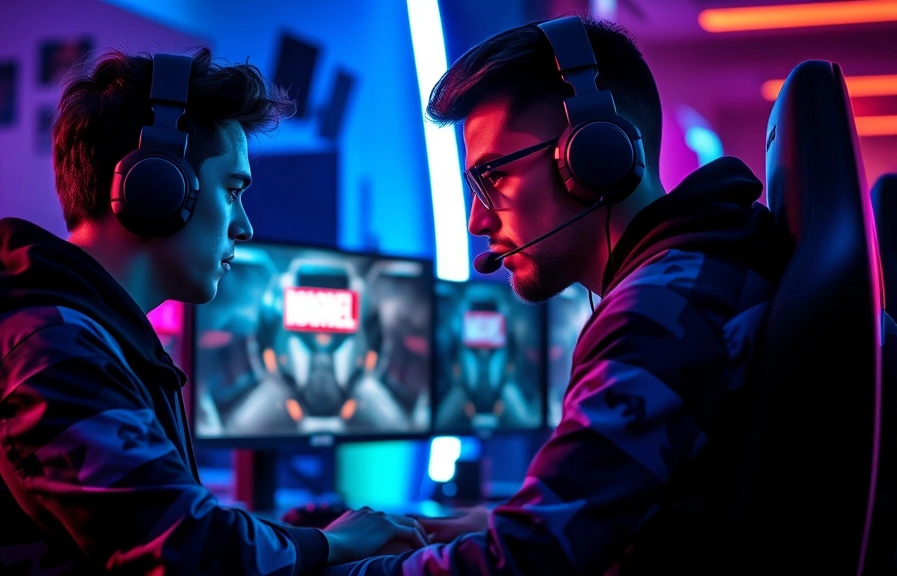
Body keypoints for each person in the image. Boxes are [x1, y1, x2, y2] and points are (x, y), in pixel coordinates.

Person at [323, 14, 789, 576]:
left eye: (492, 178)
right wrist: (490, 525)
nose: (476, 221)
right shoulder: (707, 271)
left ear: (594, 155)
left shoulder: (658, 314)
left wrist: (327, 565)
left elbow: (524, 564)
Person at [0, 48, 425, 574]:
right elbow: (185, 549)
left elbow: (177, 521)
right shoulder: (50, 349)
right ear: (156, 187)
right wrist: (331, 544)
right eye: (233, 191)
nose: (244, 226)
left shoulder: (90, 340)